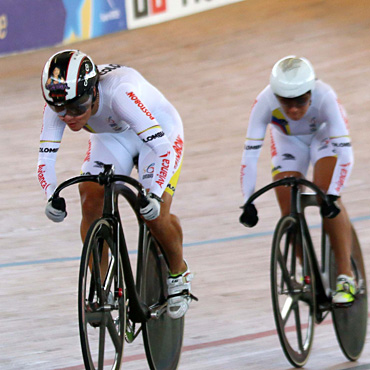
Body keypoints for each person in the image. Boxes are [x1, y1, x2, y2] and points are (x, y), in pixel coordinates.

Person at [37, 49, 195, 319]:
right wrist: (51, 195)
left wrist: (155, 195)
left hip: (158, 133)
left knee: (156, 216)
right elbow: (44, 161)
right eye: (60, 109)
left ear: (94, 93)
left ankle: (178, 273)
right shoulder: (60, 101)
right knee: (89, 195)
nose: (69, 117)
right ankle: (101, 287)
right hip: (113, 137)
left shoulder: (119, 95)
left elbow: (163, 150)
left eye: (77, 108)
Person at [239, 55, 356, 304]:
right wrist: (248, 201)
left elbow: (345, 154)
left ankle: (346, 275)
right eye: (285, 102)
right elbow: (249, 155)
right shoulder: (264, 101)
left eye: (301, 101)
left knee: (324, 193)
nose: (293, 109)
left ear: (310, 92)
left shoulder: (325, 96)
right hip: (288, 140)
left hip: (324, 135)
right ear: (275, 95)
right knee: (288, 210)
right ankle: (308, 274)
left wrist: (334, 194)